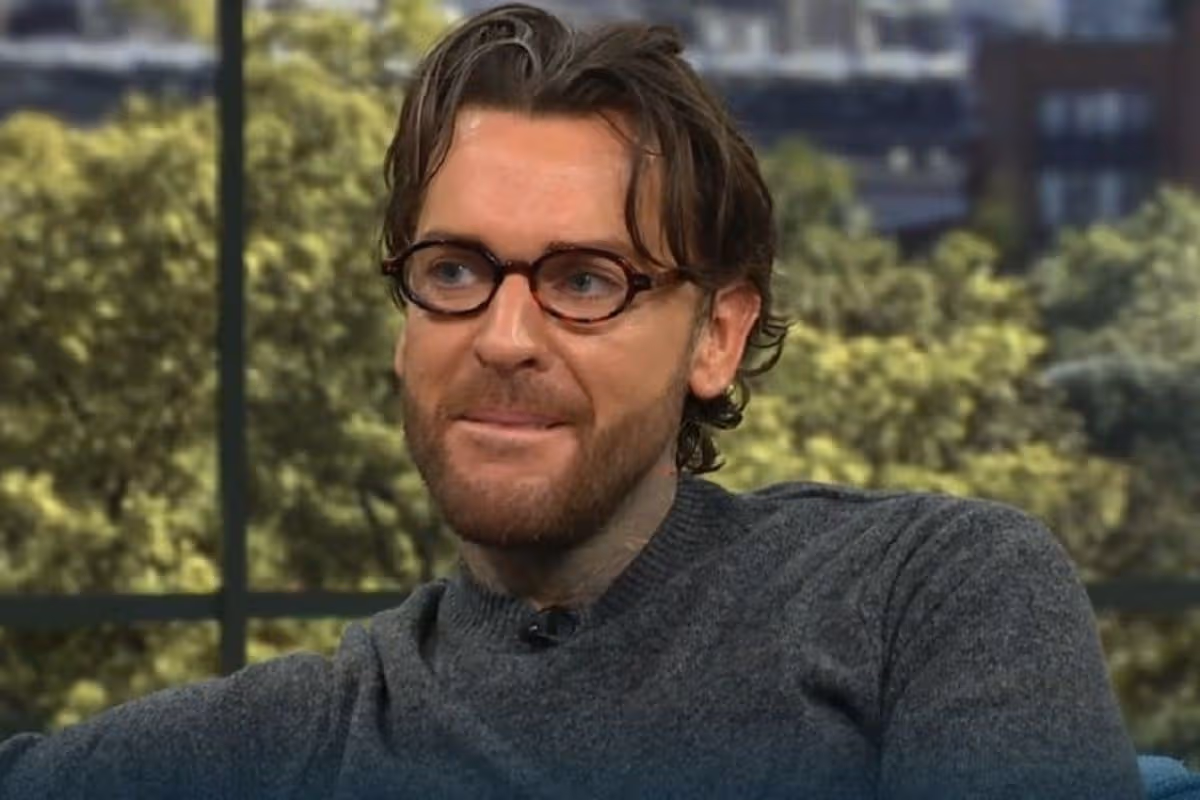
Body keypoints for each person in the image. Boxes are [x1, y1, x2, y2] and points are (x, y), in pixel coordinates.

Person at [0, 4, 1145, 798]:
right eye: (455, 269)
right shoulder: (295, 737)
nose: (504, 337)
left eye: (585, 281)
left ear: (717, 334)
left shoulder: (926, 593)